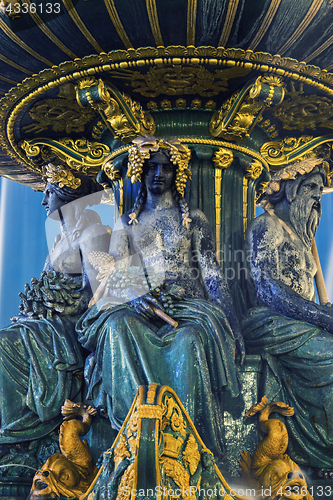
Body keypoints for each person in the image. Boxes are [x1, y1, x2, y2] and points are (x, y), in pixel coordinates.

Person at [76, 135, 245, 462]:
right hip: (139, 304)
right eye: (151, 166)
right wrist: (137, 296)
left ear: (177, 173)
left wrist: (233, 327)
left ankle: (189, 442)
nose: (158, 174)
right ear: (140, 171)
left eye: (166, 168)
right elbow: (114, 274)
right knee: (117, 328)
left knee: (191, 339)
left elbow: (212, 275)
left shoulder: (194, 219)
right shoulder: (127, 223)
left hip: (186, 307)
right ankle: (132, 436)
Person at [0, 160, 110, 446]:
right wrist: (37, 305)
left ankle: (18, 430)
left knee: (3, 344)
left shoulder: (92, 233)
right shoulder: (60, 238)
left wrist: (57, 304)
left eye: (49, 192)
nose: (44, 201)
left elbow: (98, 291)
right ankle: (11, 428)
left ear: (68, 193)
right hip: (47, 321)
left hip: (69, 323)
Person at [242, 157, 333, 470]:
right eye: (309, 187)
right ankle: (322, 450)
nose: (316, 197)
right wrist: (320, 318)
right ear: (288, 189)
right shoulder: (266, 226)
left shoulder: (303, 239)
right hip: (269, 321)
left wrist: (323, 311)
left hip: (299, 321)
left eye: (320, 189)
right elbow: (268, 289)